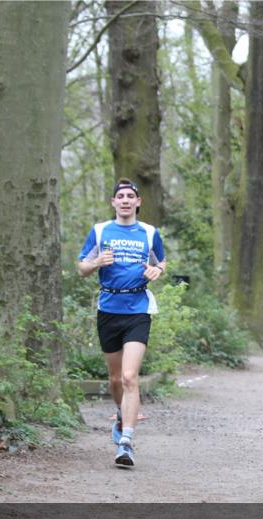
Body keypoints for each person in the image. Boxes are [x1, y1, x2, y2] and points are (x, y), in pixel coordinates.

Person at [77, 179, 166, 468]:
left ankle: (126, 441)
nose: (126, 200)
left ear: (138, 202)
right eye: (120, 196)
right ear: (113, 202)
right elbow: (81, 267)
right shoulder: (101, 231)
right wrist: (96, 262)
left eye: (131, 196)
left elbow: (161, 263)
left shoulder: (150, 233)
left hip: (138, 309)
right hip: (109, 309)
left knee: (130, 377)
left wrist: (156, 271)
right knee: (115, 380)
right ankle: (121, 412)